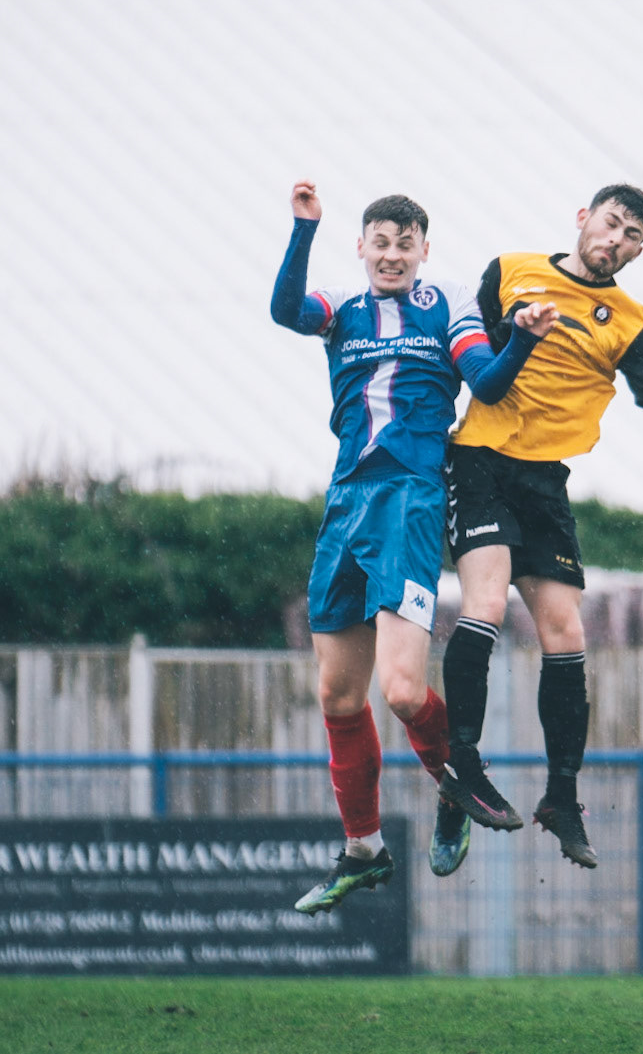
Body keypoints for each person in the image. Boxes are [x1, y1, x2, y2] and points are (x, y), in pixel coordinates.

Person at [270, 179, 557, 914]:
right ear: (361, 247)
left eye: (405, 243)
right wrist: (303, 228)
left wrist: (522, 335)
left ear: (424, 251)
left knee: (399, 689)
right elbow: (284, 311)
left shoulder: (447, 305)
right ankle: (363, 847)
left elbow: (487, 384)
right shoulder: (344, 305)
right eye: (380, 241)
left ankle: (458, 780)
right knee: (337, 693)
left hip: (411, 501)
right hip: (346, 507)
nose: (392, 253)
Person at [438, 182, 643, 869]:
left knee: (566, 631)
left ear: (639, 251)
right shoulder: (511, 272)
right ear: (583, 218)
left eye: (632, 237)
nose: (616, 240)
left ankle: (562, 795)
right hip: (479, 460)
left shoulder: (632, 321)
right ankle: (461, 765)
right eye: (611, 223)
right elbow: (471, 364)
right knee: (487, 601)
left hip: (544, 479)